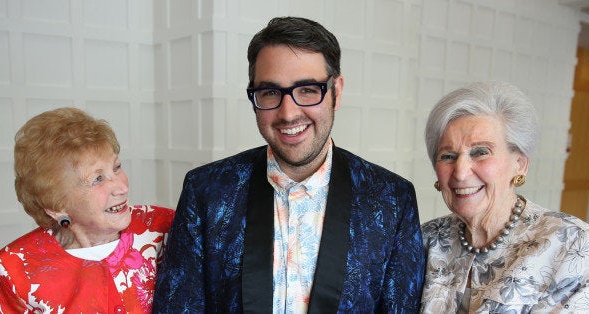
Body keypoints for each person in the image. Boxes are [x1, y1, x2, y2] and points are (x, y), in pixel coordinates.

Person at [152, 16, 424, 313]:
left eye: (308, 89)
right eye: (270, 92)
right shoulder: (205, 191)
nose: (288, 113)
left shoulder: (392, 200)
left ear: (337, 92)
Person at [420, 81, 589, 312]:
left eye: (481, 152)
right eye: (448, 156)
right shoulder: (425, 241)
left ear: (520, 164)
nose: (461, 173)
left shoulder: (573, 244)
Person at [0, 107, 175, 313]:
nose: (122, 187)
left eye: (116, 167)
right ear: (56, 206)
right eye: (97, 179)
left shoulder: (163, 228)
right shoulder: (16, 267)